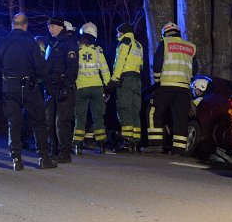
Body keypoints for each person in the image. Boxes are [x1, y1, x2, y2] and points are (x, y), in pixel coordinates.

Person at [0, 13, 56, 171]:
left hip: (9, 88)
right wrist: (49, 86)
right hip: (29, 88)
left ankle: (16, 159)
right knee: (39, 122)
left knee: (14, 124)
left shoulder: (2, 43)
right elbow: (41, 67)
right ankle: (43, 158)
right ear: (25, 25)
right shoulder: (30, 43)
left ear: (13, 25)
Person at [148, 22, 197, 154]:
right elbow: (195, 69)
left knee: (154, 112)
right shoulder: (190, 47)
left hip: (166, 86)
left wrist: (158, 81)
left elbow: (157, 64)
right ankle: (179, 150)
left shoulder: (165, 43)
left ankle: (155, 145)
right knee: (181, 119)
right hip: (184, 89)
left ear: (165, 34)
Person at [72, 22, 111, 154]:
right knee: (98, 117)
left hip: (81, 87)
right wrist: (107, 84)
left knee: (80, 117)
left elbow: (73, 69)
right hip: (96, 87)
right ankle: (101, 145)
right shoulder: (98, 51)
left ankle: (77, 145)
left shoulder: (77, 50)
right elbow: (104, 69)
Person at [44, 17, 79, 163]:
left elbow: (72, 67)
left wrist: (66, 84)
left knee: (62, 121)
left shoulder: (69, 43)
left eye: (52, 26)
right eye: (49, 26)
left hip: (64, 87)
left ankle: (65, 152)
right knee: (49, 119)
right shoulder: (52, 43)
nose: (50, 29)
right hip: (52, 87)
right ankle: (54, 149)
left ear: (60, 27)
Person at [107, 22, 143, 153]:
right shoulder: (138, 45)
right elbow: (141, 64)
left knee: (124, 109)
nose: (117, 34)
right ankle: (135, 142)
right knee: (134, 110)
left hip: (125, 79)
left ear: (122, 32)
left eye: (118, 32)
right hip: (137, 79)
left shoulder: (124, 43)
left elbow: (119, 62)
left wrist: (114, 79)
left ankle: (127, 141)